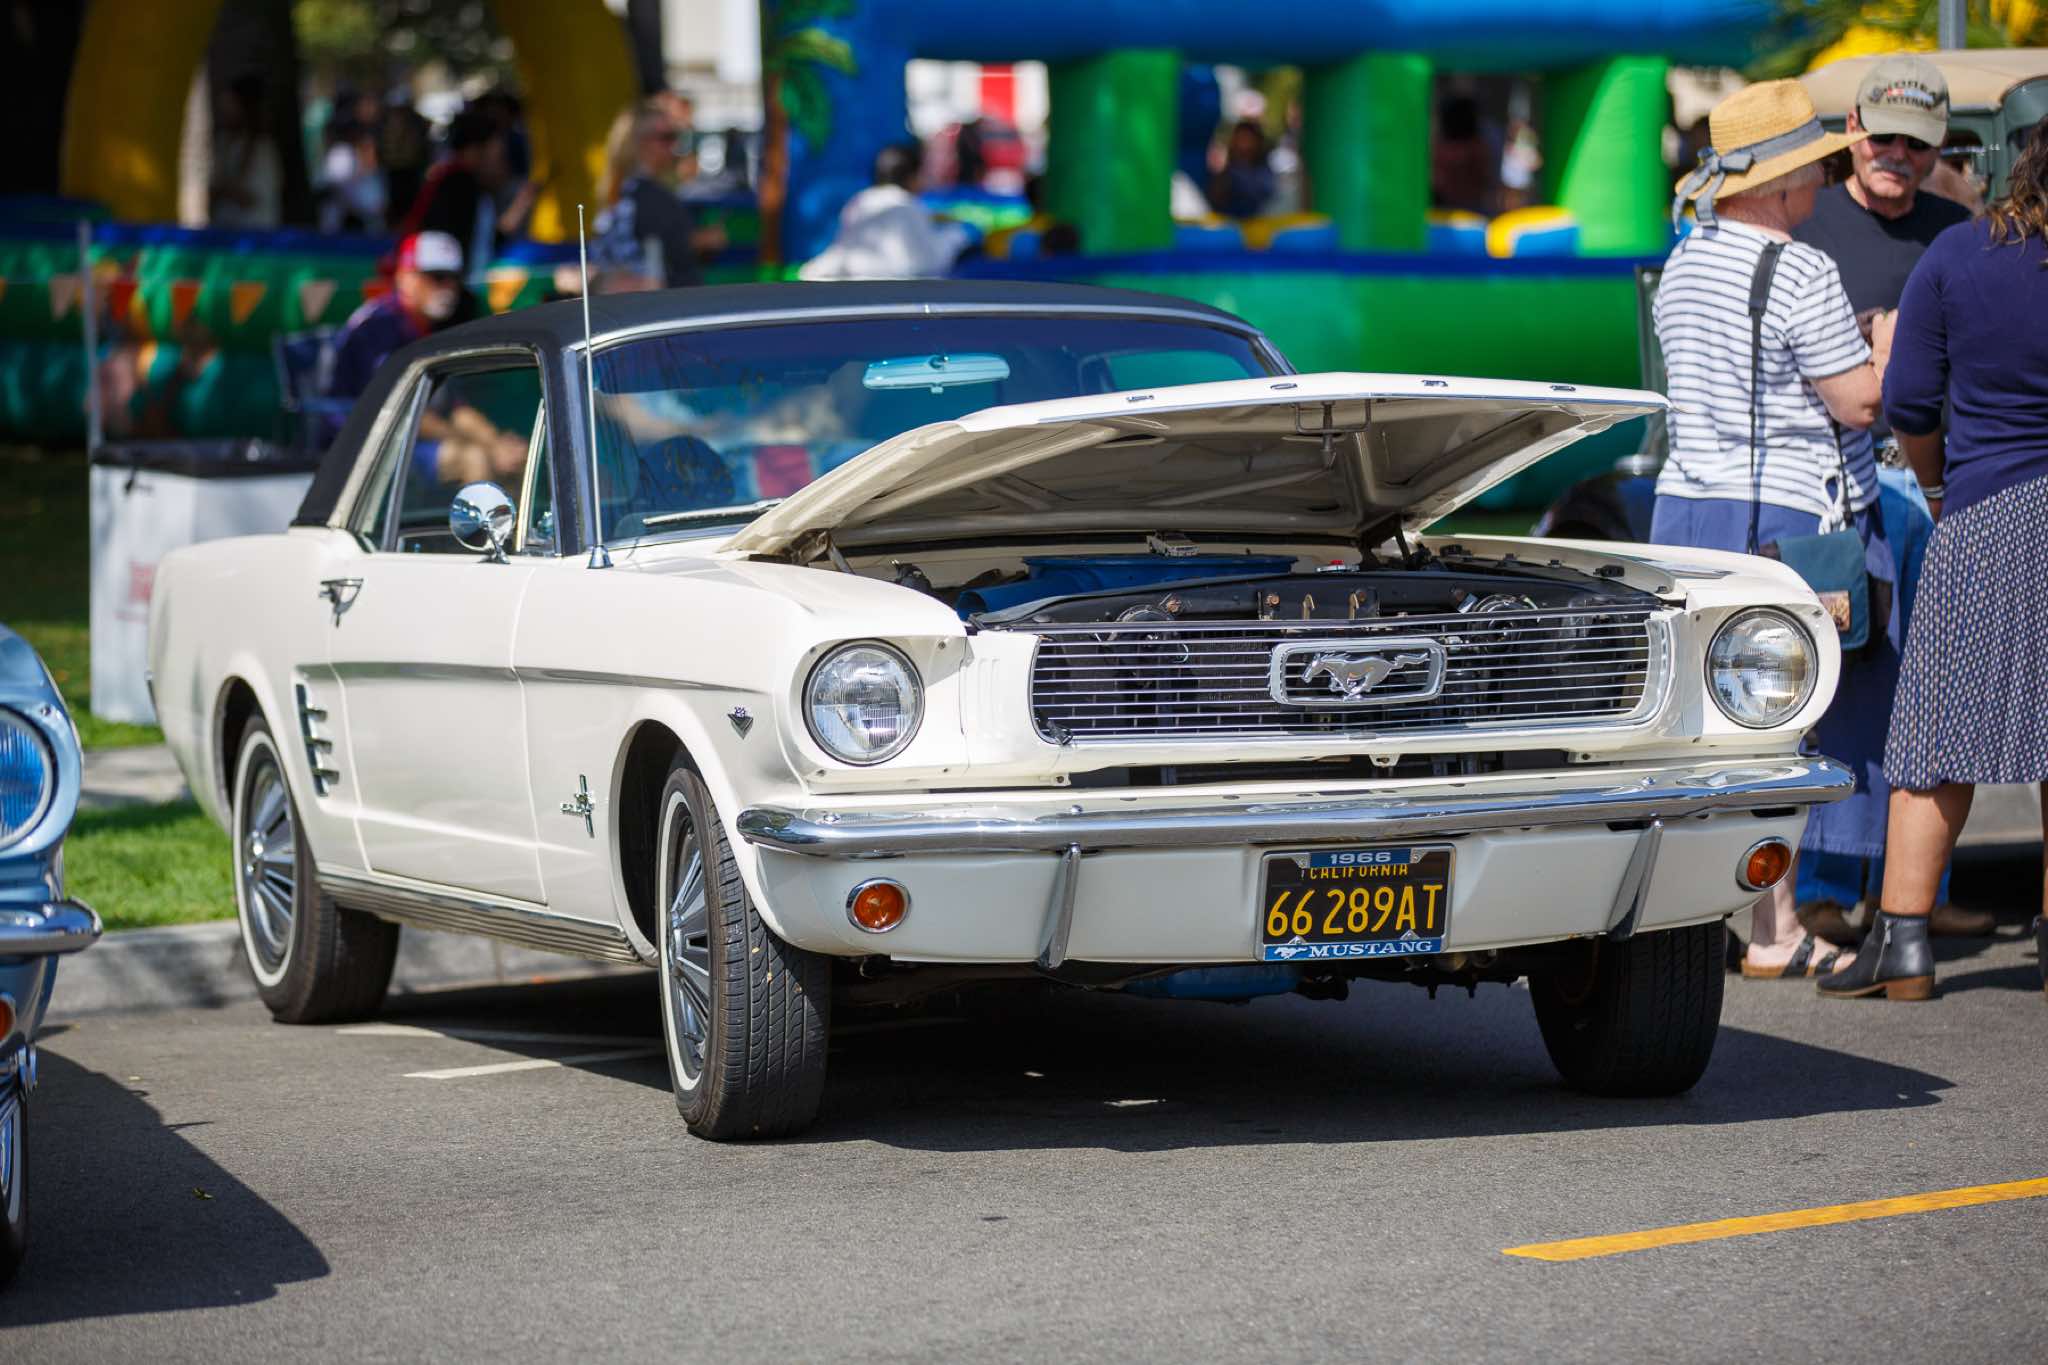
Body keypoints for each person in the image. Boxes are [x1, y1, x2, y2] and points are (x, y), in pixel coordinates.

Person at [1654, 79, 1897, 979]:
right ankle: (1776, 928)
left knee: (1706, 724)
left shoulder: (1685, 260)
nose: (1823, 182)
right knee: (1782, 724)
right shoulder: (1801, 269)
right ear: (1782, 180)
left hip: (1687, 508)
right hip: (1783, 517)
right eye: (1815, 167)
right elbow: (1857, 402)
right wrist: (1886, 346)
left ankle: (1728, 913)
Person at [1818, 123, 2048, 1003]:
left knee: (1936, 733)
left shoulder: (1959, 253)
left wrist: (1941, 485)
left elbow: (1909, 400)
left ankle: (1903, 943)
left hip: (1988, 509)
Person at [1789, 55, 1991, 942]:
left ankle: (1917, 893)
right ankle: (1825, 889)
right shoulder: (1811, 224)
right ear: (1853, 133)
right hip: (1845, 484)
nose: (1898, 156)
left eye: (1917, 144)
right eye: (1884, 139)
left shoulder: (1959, 230)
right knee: (1846, 678)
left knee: (1935, 685)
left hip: (1945, 478)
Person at [326, 231, 477, 403]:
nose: (449, 288)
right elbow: (389, 402)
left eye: (455, 278)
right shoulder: (377, 325)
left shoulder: (431, 324)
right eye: (438, 277)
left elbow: (451, 405)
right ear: (404, 277)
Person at [592, 100, 726, 289]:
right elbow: (669, 245)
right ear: (639, 142)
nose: (675, 144)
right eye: (667, 137)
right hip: (653, 300)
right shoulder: (646, 195)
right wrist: (705, 239)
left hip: (628, 299)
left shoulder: (620, 189)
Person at [798, 142, 970, 281]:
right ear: (911, 177)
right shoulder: (905, 205)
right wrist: (958, 235)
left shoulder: (860, 200)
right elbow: (929, 261)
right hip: (891, 292)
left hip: (853, 284)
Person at [398, 109, 514, 275]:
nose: (503, 166)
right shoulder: (458, 186)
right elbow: (450, 252)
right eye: (498, 157)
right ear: (474, 151)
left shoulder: (452, 179)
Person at [208, 75, 281, 229]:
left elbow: (252, 198)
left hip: (256, 234)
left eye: (231, 104)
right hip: (224, 232)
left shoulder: (263, 149)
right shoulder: (224, 142)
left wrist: (223, 190)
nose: (224, 110)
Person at [1207, 119, 1275, 219]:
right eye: (1240, 138)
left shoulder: (1264, 170)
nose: (1243, 144)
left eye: (1247, 139)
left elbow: (1264, 193)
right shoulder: (1225, 169)